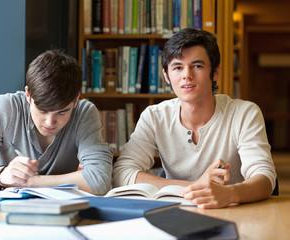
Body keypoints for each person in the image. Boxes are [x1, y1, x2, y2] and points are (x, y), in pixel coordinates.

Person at [113, 28, 277, 208]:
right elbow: (122, 172)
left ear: (215, 73)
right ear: (166, 76)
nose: (187, 75)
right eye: (177, 67)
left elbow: (265, 178)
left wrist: (229, 194)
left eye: (197, 66)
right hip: (174, 213)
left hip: (232, 212)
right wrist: (198, 187)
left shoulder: (245, 113)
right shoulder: (154, 116)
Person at [0, 50, 113, 195]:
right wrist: (3, 175)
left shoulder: (84, 113)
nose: (50, 122)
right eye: (42, 111)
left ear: (76, 99)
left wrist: (32, 182)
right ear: (28, 95)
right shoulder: (4, 109)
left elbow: (100, 179)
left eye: (62, 112)